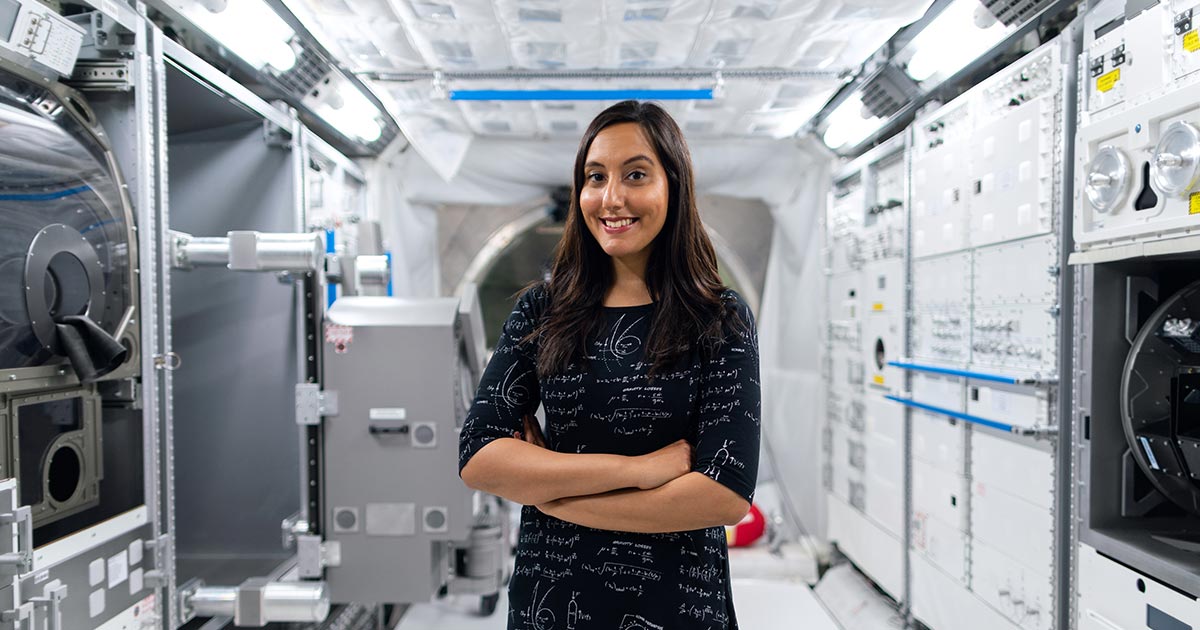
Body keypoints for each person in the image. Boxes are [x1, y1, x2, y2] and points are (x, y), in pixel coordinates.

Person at [458, 99, 761, 630]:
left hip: (678, 606)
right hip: (553, 603)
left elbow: (723, 494)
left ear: (674, 185)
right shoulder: (542, 309)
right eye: (595, 177)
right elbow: (480, 456)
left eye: (636, 175)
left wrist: (552, 497)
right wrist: (641, 471)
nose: (611, 197)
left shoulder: (718, 317)